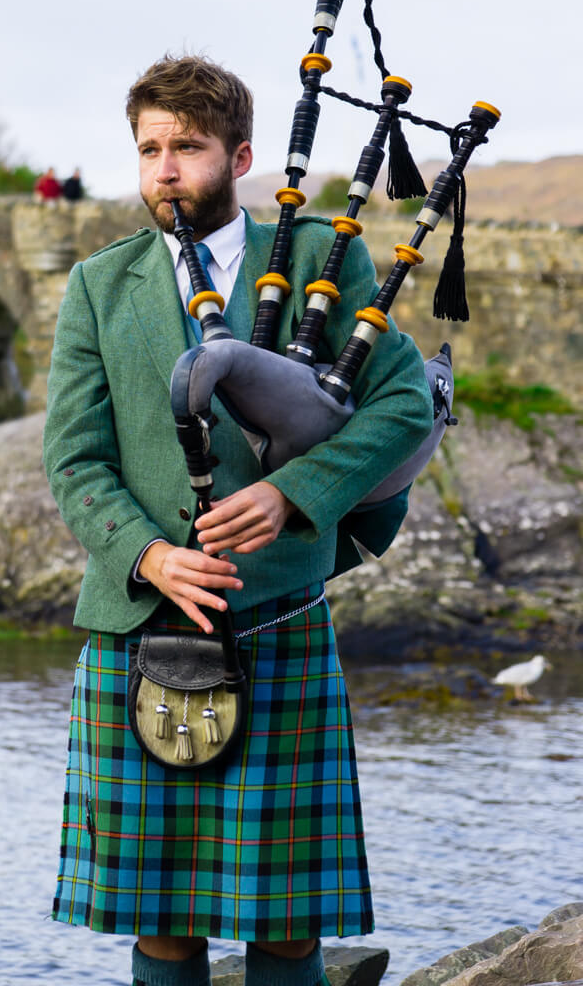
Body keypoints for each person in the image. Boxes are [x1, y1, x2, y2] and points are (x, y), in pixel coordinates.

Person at [44, 55, 433, 986]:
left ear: (240, 155)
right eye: (148, 149)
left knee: (288, 922)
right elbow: (74, 459)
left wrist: (293, 493)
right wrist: (149, 556)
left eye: (187, 147)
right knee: (162, 920)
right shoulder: (101, 286)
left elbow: (405, 407)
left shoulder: (314, 263)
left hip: (278, 617)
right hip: (145, 625)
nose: (165, 170)